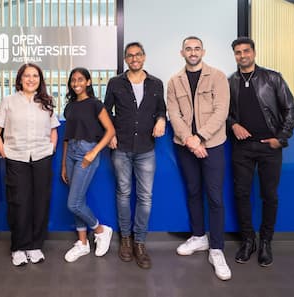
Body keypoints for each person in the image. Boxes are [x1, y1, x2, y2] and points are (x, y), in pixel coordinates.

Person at [228, 37, 294, 267]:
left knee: (269, 196)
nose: (242, 56)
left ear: (254, 52)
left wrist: (281, 138)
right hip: (242, 148)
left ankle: (266, 241)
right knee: (241, 194)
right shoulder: (230, 82)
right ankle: (248, 240)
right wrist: (233, 125)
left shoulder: (272, 77)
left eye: (246, 51)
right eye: (238, 52)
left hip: (269, 147)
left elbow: (291, 108)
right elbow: (223, 113)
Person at [166, 36, 231, 281]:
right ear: (181, 52)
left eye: (196, 48)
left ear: (203, 51)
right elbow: (174, 113)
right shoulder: (174, 81)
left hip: (212, 145)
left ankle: (216, 249)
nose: (193, 52)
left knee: (214, 196)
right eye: (188, 49)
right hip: (186, 146)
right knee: (193, 191)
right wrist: (190, 141)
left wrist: (201, 138)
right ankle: (198, 237)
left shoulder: (218, 77)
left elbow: (221, 111)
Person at [0, 63, 60, 266]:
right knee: (18, 202)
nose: (31, 79)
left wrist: (51, 148)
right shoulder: (8, 101)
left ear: (40, 79)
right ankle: (18, 247)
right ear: (20, 79)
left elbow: (54, 129)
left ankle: (35, 245)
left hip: (41, 157)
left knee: (40, 201)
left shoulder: (46, 102)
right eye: (27, 76)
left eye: (35, 76)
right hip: (16, 158)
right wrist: (5, 152)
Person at [104, 42, 166, 269]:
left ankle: (140, 242)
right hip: (121, 147)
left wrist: (161, 120)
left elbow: (162, 109)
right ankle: (126, 240)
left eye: (138, 54)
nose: (134, 59)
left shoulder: (156, 83)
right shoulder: (115, 83)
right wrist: (110, 133)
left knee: (145, 197)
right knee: (123, 194)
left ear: (144, 57)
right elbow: (105, 111)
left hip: (146, 149)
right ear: (125, 59)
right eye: (130, 56)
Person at [61, 67, 115, 263]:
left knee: (73, 203)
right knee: (78, 201)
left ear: (88, 82)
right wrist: (64, 165)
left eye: (80, 79)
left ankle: (101, 230)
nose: (76, 83)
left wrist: (93, 152)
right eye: (73, 80)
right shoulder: (70, 107)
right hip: (72, 153)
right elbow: (67, 137)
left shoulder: (95, 104)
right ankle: (82, 243)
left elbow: (110, 131)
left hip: (87, 152)